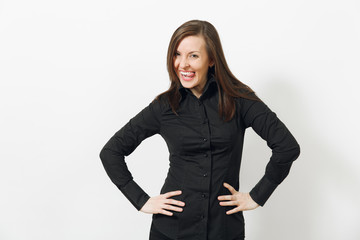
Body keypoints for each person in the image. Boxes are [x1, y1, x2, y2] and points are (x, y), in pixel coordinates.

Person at [99, 20, 300, 240]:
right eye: (177, 54)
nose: (182, 64)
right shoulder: (163, 106)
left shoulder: (240, 100)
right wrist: (140, 200)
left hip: (224, 231)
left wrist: (257, 196)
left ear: (212, 59)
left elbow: (287, 147)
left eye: (193, 55)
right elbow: (111, 152)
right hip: (171, 230)